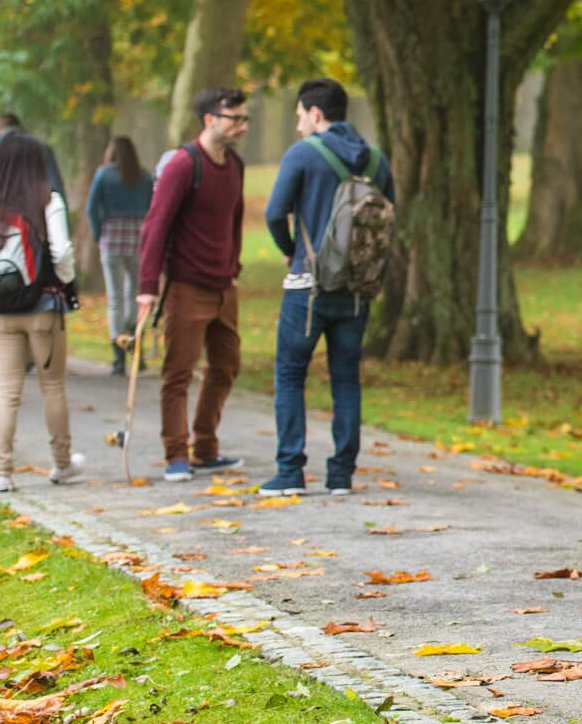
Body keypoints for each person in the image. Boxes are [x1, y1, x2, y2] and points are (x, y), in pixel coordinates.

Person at [259, 78, 394, 497]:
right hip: (356, 289)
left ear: (315, 113)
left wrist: (292, 249)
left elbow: (273, 213)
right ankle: (341, 475)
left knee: (290, 374)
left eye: (300, 116)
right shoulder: (375, 161)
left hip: (308, 285)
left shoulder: (303, 153)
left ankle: (289, 471)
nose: (298, 125)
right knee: (346, 378)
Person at [137, 87, 253, 482]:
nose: (242, 125)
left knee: (226, 366)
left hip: (224, 286)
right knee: (178, 372)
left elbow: (235, 220)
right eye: (234, 118)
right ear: (209, 120)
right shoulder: (185, 164)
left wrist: (233, 264)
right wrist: (148, 285)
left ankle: (206, 448)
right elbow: (156, 224)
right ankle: (176, 455)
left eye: (244, 118)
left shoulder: (235, 165)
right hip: (186, 286)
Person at [0, 134, 85, 493]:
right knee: (53, 386)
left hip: (0, 314)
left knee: (7, 391)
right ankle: (62, 463)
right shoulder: (48, 201)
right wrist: (64, 283)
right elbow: (61, 254)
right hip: (43, 310)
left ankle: (1, 473)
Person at [87, 136, 155, 373]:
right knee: (136, 294)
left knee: (115, 297)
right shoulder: (144, 176)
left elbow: (91, 208)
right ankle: (135, 342)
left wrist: (98, 233)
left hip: (112, 236)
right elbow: (153, 207)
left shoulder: (103, 175)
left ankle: (118, 352)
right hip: (138, 237)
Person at [0, 111, 65, 197]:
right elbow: (55, 182)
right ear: (19, 126)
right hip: (33, 202)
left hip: (1, 203)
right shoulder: (42, 147)